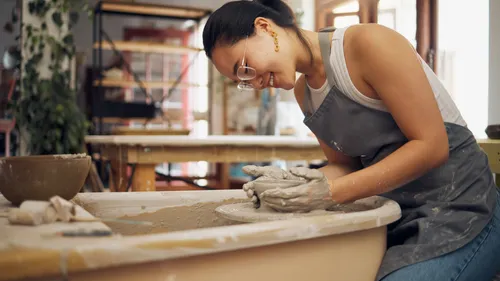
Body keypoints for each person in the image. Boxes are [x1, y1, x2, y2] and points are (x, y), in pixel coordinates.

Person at [202, 0, 500, 280]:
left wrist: (329, 193)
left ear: (265, 28)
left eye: (244, 68)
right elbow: (344, 168)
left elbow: (432, 147)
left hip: (463, 209)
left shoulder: (366, 44)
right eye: (241, 80)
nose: (253, 82)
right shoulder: (304, 93)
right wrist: (290, 183)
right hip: (394, 214)